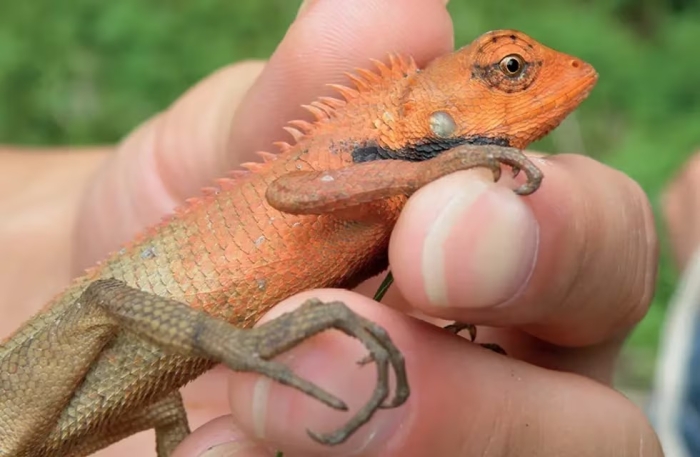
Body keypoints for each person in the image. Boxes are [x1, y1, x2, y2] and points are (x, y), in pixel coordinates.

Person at [0, 0, 666, 455]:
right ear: (427, 104)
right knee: (102, 305)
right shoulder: (369, 146)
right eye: (512, 71)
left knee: (171, 406)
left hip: (141, 371)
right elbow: (291, 191)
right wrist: (243, 347)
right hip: (52, 363)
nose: (548, 80)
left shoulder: (400, 182)